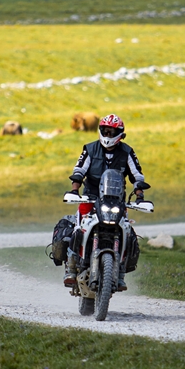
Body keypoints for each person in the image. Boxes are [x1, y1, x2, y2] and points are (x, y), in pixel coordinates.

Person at [64, 113, 149, 290]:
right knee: (77, 228)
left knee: (127, 230)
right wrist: (74, 190)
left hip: (116, 201)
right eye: (105, 130)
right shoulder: (89, 149)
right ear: (100, 130)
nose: (108, 135)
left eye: (112, 131)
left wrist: (140, 195)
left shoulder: (127, 152)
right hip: (90, 198)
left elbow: (137, 175)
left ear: (120, 133)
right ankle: (71, 267)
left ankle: (121, 272)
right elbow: (79, 170)